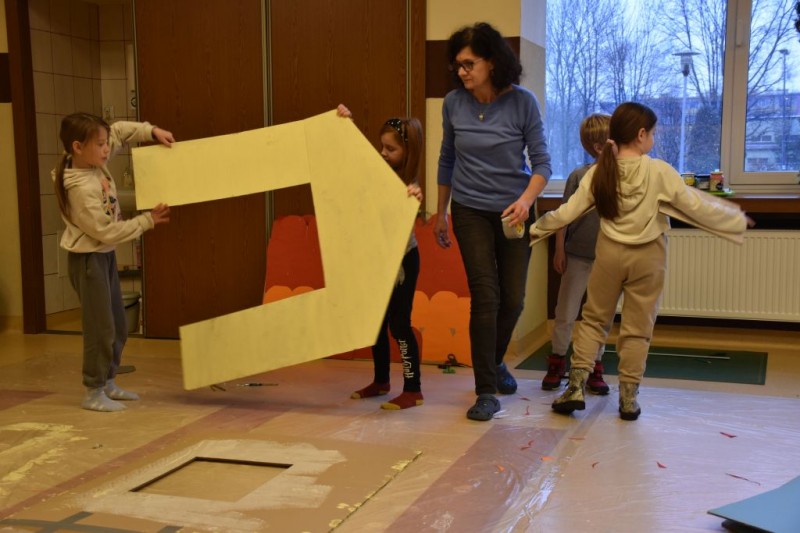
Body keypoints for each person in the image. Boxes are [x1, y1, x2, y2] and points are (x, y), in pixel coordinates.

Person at [530, 102, 751, 421]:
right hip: (649, 256)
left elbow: (567, 212)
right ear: (641, 134)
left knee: (594, 320)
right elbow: (695, 206)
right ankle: (628, 399)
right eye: (654, 133)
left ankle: (575, 386)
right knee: (638, 328)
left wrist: (532, 229)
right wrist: (733, 221)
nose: (654, 139)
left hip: (609, 253)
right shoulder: (659, 170)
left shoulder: (599, 172)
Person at [434, 22, 551, 421]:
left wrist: (525, 201)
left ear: (493, 62)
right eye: (458, 65)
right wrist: (441, 212)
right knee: (485, 296)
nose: (462, 71)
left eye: (469, 64)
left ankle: (495, 361)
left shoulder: (523, 103)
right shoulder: (453, 103)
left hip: (514, 211)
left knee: (513, 299)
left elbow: (542, 164)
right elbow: (447, 159)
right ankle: (485, 390)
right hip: (469, 210)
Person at [53, 112, 174, 412]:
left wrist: (152, 130)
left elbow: (119, 130)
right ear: (78, 147)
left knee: (118, 325)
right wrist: (146, 221)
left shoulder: (93, 162)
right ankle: (93, 390)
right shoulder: (80, 188)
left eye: (106, 142)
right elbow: (105, 231)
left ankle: (107, 381)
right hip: (88, 261)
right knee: (100, 329)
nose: (107, 148)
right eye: (100, 144)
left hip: (103, 256)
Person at [337, 104, 426, 410]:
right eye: (382, 146)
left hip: (402, 262)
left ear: (408, 152)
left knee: (399, 325)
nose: (383, 153)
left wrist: (414, 198)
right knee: (375, 322)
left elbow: (408, 208)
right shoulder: (377, 172)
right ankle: (381, 381)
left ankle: (413, 389)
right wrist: (346, 123)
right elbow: (355, 157)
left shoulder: (409, 185)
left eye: (391, 149)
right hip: (379, 261)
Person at [543, 114, 612, 394]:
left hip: (607, 259)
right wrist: (560, 249)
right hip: (577, 257)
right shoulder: (579, 176)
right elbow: (563, 216)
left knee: (600, 316)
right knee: (566, 312)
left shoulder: (624, 176)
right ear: (599, 147)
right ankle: (557, 360)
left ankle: (594, 364)